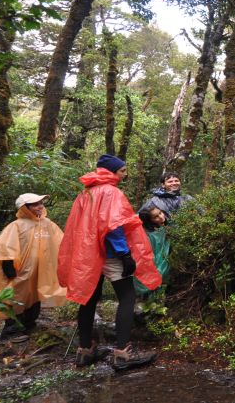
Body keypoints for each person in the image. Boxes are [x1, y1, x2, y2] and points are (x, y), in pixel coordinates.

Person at [58, 154, 162, 370]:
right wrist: (124, 255)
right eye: (123, 170)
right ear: (112, 171)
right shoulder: (111, 192)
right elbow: (113, 226)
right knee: (127, 296)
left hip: (88, 255)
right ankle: (122, 354)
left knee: (87, 299)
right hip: (111, 253)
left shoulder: (85, 193)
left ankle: (84, 352)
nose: (125, 174)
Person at [0, 193, 67, 340]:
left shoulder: (48, 224)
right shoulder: (16, 226)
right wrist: (9, 268)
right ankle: (11, 331)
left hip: (41, 271)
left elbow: (61, 243)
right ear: (25, 208)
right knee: (17, 298)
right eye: (35, 204)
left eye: (41, 203)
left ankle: (29, 325)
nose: (40, 206)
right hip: (21, 272)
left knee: (35, 296)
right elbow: (6, 248)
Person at [133, 204, 171, 297]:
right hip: (154, 264)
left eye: (160, 213)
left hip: (163, 264)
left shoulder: (165, 227)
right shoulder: (147, 234)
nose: (161, 217)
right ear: (149, 221)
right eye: (156, 217)